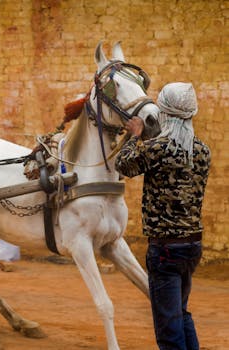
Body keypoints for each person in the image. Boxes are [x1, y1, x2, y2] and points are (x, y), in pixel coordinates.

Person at [115, 82, 210, 350]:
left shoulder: (158, 148)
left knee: (169, 328)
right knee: (181, 313)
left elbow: (122, 164)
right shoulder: (202, 151)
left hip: (165, 249)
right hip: (192, 246)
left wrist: (136, 134)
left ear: (164, 113)